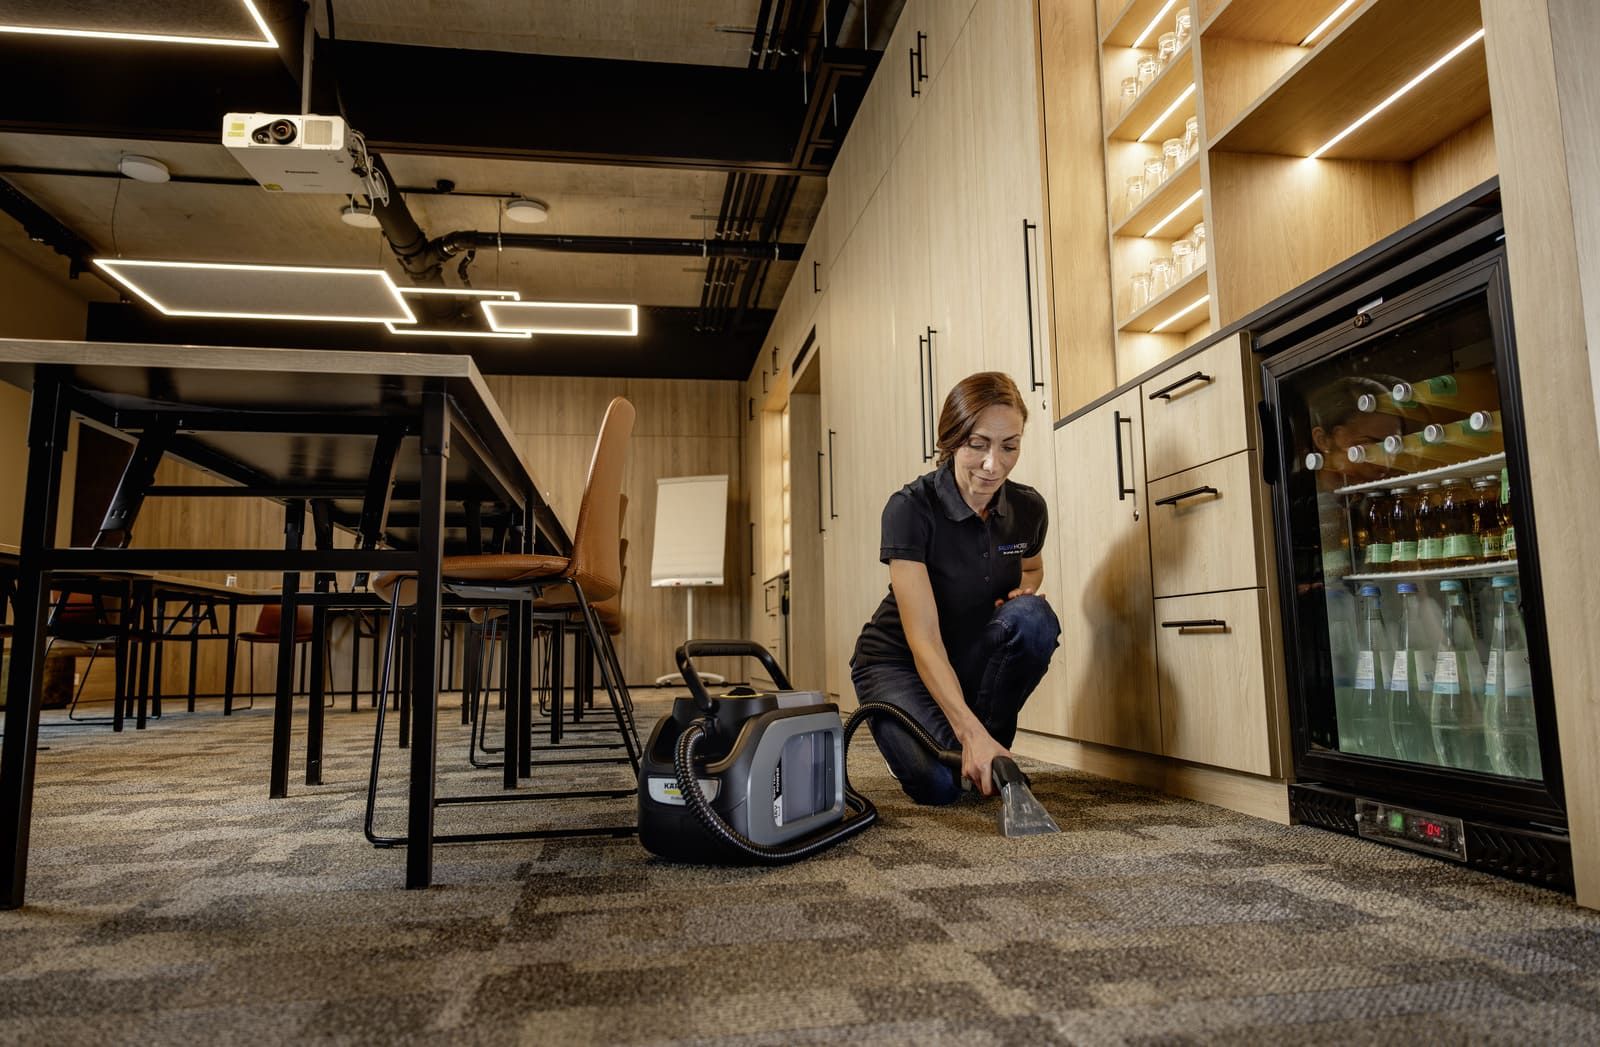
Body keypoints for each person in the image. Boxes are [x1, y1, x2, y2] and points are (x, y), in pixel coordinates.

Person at [850, 372, 1060, 803]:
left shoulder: (1028, 507)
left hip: (968, 653)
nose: (993, 464)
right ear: (951, 440)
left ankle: (983, 745)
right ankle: (938, 739)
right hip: (898, 661)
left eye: (1009, 446)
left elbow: (1032, 568)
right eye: (978, 444)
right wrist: (968, 733)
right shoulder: (910, 508)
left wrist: (1022, 591)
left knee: (1033, 619)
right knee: (939, 787)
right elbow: (924, 639)